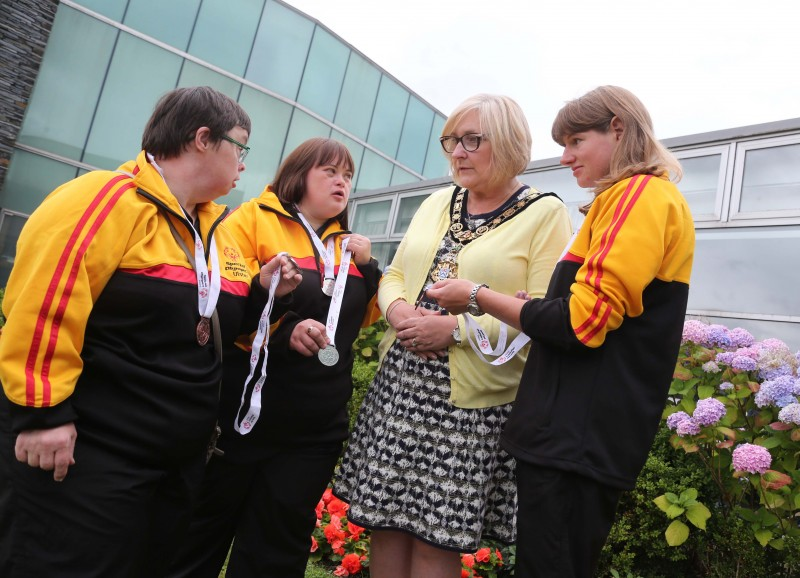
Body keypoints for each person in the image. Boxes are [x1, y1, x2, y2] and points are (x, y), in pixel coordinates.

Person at [0, 86, 301, 577]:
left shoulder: (211, 229)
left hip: (171, 466)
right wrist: (42, 413)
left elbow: (211, 324)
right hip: (91, 457)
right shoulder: (106, 198)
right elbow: (43, 304)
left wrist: (267, 291)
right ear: (203, 138)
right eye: (240, 146)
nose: (245, 163)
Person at [428, 85, 696, 578]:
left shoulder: (637, 195)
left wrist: (476, 296)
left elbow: (582, 325)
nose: (566, 156)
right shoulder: (628, 198)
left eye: (576, 141)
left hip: (578, 433)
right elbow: (591, 313)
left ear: (617, 128)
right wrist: (537, 307)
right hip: (579, 432)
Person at [333, 94, 573, 577]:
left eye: (470, 140)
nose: (457, 153)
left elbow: (544, 315)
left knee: (433, 537)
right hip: (402, 385)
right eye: (451, 141)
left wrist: (457, 330)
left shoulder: (545, 213)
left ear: (505, 143)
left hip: (469, 400)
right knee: (385, 524)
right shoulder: (439, 200)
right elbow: (396, 272)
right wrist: (399, 311)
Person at [166, 137, 382, 578]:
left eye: (348, 176)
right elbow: (224, 308)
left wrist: (372, 267)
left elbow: (361, 319)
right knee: (200, 534)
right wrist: (283, 334)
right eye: (331, 172)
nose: (342, 182)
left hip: (314, 428)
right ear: (299, 174)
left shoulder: (350, 245)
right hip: (244, 413)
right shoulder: (249, 221)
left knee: (279, 546)